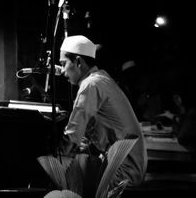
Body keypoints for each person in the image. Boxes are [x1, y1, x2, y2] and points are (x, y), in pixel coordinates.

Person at [55, 35, 148, 192]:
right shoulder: (101, 78)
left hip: (122, 171)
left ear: (78, 61)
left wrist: (53, 160)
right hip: (132, 166)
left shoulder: (90, 85)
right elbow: (86, 136)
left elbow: (72, 136)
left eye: (64, 64)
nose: (63, 71)